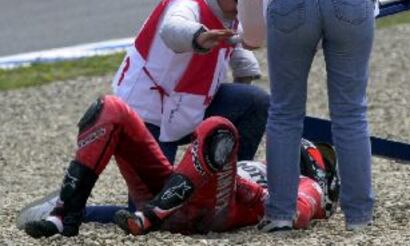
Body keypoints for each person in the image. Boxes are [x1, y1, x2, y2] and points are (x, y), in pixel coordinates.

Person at [20, 95, 339, 238]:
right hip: (181, 193)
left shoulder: (307, 187)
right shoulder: (262, 167)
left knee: (218, 127)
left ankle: (153, 215)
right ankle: (65, 215)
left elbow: (291, 215)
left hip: (211, 212)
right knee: (111, 109)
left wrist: (244, 187)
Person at [237, 0, 379, 232]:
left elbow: (251, 11)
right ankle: (360, 216)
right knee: (351, 112)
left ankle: (280, 214)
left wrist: (252, 38)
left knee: (285, 113)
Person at [112, 0, 269, 165]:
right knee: (154, 195)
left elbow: (233, 35)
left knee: (255, 103)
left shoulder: (225, 7)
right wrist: (198, 37)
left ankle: (228, 181)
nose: (243, 8)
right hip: (145, 115)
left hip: (186, 109)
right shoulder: (185, 2)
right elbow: (172, 29)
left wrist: (244, 66)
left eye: (247, 0)